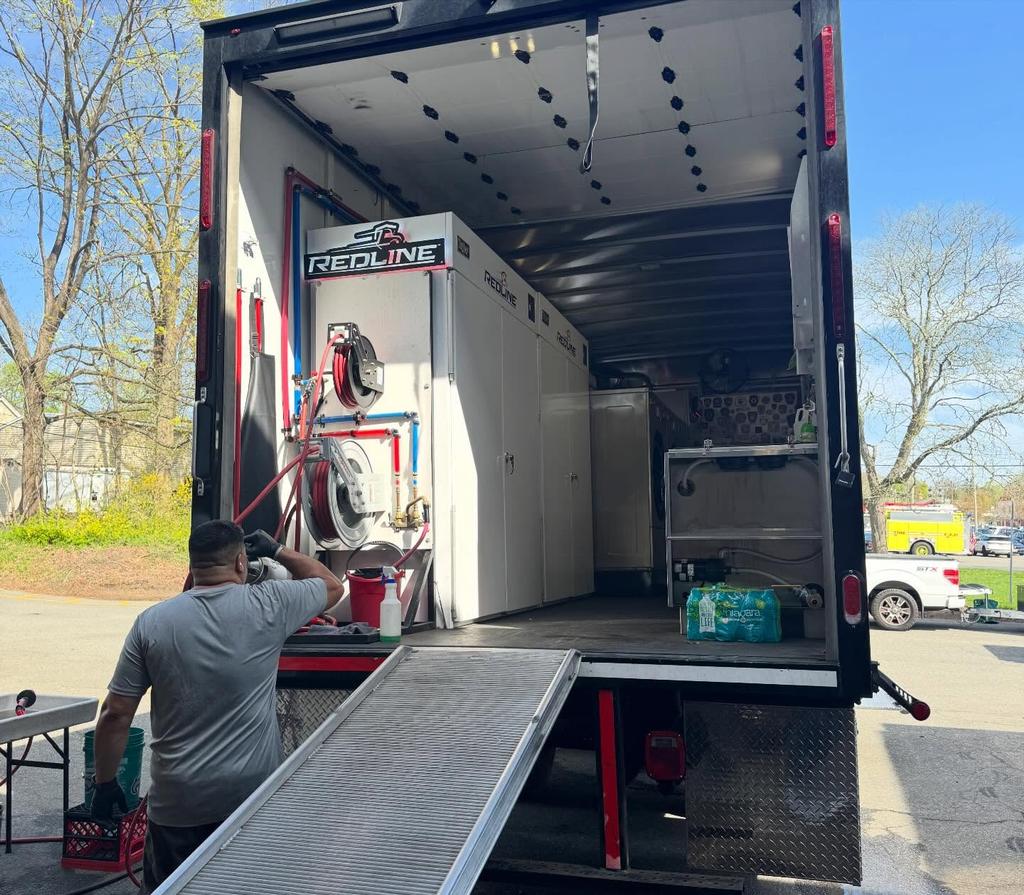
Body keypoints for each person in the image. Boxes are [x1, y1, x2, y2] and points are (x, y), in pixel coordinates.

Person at [90, 520, 344, 893]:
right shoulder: (270, 604)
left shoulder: (151, 622)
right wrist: (276, 550)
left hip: (178, 806)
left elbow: (116, 714)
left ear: (192, 564)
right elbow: (332, 585)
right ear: (241, 562)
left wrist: (105, 783)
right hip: (249, 801)